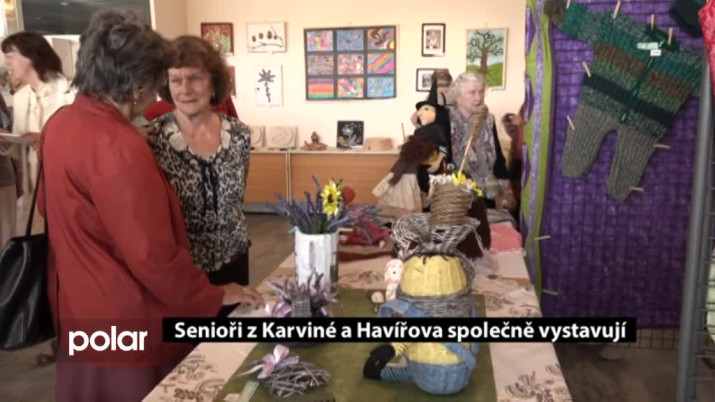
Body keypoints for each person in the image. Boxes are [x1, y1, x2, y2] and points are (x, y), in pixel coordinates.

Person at [37, 11, 262, 401]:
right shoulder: (121, 146)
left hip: (80, 303)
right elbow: (152, 255)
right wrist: (210, 296)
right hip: (128, 311)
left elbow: (46, 207)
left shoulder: (60, 124)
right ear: (138, 84)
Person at [147, 36, 252, 299]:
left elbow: (237, 199)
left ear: (214, 83)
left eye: (195, 78)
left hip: (234, 259)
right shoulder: (152, 139)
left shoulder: (239, 134)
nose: (185, 89)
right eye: (175, 80)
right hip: (182, 271)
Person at [0, 32, 74, 235]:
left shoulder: (70, 94)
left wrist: (45, 139)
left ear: (31, 55)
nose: (6, 62)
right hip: (35, 195)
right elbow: (21, 151)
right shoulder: (21, 98)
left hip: (67, 191)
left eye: (11, 55)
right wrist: (6, 141)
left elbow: (84, 144)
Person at [446, 72, 515, 211]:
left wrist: (506, 189)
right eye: (472, 92)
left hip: (486, 192)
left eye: (481, 91)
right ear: (458, 95)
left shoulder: (488, 119)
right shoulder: (445, 119)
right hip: (454, 193)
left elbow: (497, 155)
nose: (478, 97)